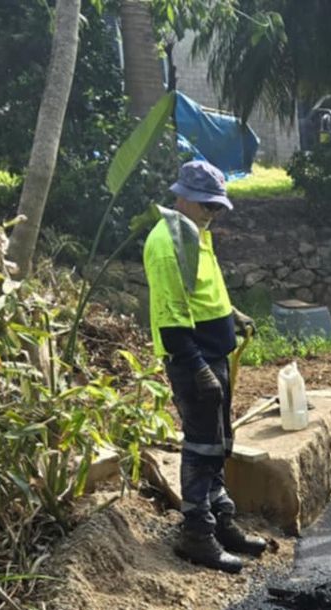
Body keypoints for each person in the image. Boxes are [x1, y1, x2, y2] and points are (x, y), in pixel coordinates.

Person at [142, 159, 269, 573]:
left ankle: (222, 522)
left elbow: (202, 291)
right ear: (182, 198)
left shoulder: (195, 233)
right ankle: (197, 534)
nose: (212, 213)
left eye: (216, 207)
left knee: (220, 442)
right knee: (201, 447)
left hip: (215, 355)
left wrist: (232, 314)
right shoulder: (168, 243)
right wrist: (196, 366)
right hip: (192, 359)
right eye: (206, 206)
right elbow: (171, 313)